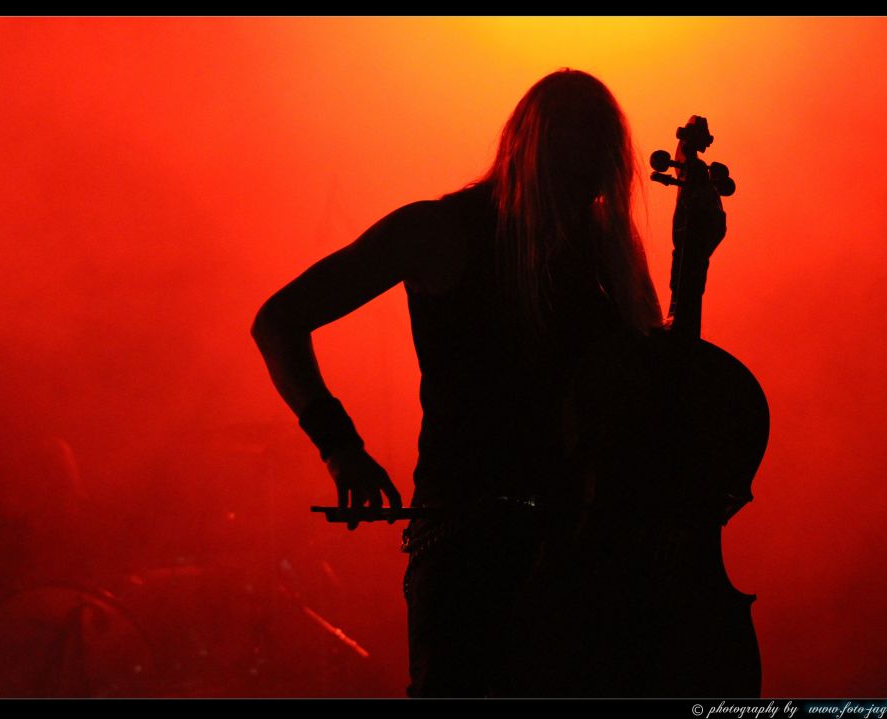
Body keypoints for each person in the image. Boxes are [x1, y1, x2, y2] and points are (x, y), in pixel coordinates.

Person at [251, 69, 726, 697]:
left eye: (598, 177)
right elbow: (279, 320)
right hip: (471, 550)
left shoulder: (602, 244)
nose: (587, 195)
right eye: (575, 173)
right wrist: (340, 447)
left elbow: (649, 391)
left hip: (586, 552)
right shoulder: (439, 230)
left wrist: (691, 270)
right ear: (538, 152)